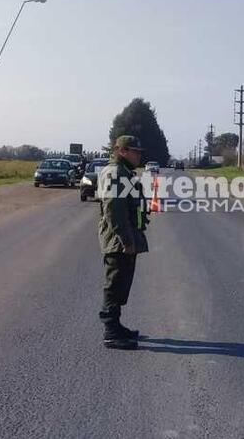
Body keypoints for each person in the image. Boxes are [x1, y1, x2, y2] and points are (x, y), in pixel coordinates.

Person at [97, 135, 150, 349]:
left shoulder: (124, 172)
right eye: (134, 151)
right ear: (121, 150)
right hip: (118, 240)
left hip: (125, 237)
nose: (138, 155)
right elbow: (114, 210)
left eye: (139, 151)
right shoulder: (115, 173)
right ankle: (111, 331)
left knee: (121, 282)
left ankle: (116, 326)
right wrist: (126, 240)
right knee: (115, 283)